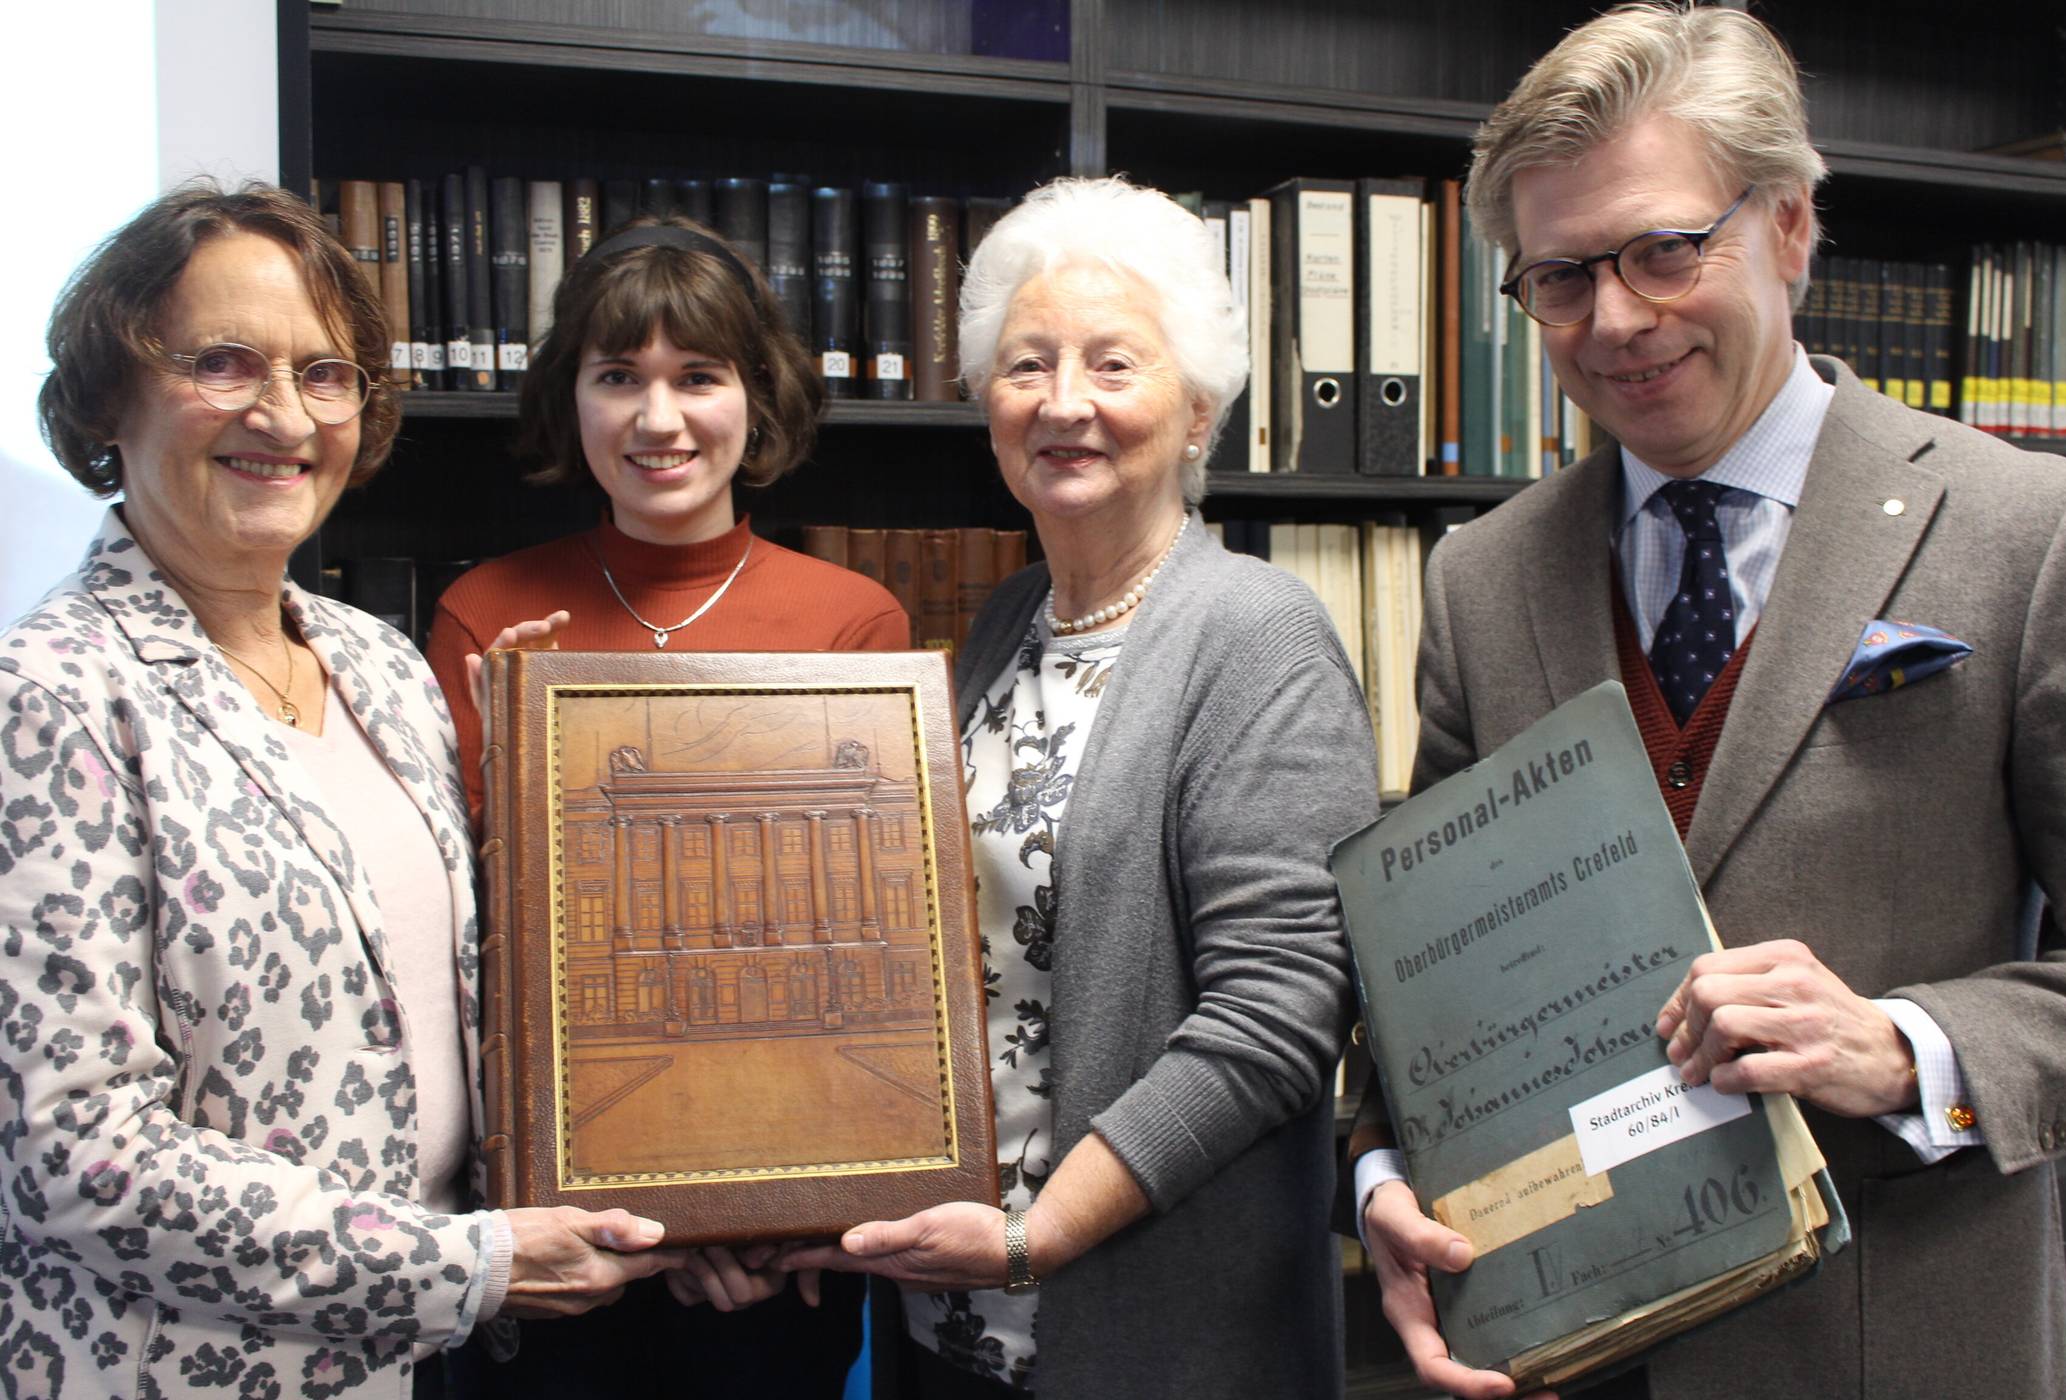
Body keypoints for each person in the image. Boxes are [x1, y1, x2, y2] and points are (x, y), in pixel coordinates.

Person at [1350, 6, 2066, 1400]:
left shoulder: (2037, 534)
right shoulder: (1479, 579)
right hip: (1569, 1352)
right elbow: (1425, 983)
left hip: (1903, 1347)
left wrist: (1907, 1047)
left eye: (1664, 251)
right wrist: (1387, 1167)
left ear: (1793, 226)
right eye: (1561, 277)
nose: (1616, 321)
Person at [2, 182, 680, 1400]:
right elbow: (76, 1155)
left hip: (431, 1362)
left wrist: (699, 1196)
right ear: (109, 393)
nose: (283, 414)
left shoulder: (382, 663)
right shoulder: (46, 696)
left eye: (325, 375)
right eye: (223, 362)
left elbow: (470, 1022)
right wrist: (460, 1262)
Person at [778, 176, 1379, 1400]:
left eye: (1114, 364)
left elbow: (1279, 1017)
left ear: (1200, 404)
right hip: (947, 1318)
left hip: (1142, 1330)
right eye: (1027, 365)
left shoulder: (1257, 634)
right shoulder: (1006, 624)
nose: (1064, 403)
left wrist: (1034, 1232)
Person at [424, 215, 907, 1398]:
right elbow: (467, 949)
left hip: (774, 1255)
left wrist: (741, 1220)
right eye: (616, 377)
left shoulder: (857, 626)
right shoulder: (484, 615)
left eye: (699, 375)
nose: (658, 419)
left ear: (757, 396)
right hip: (552, 1248)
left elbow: (880, 963)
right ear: (568, 399)